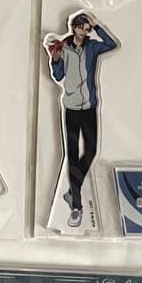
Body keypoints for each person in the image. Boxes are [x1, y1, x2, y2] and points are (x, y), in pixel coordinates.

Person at [46, 13, 117, 228]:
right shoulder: (63, 47)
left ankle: (72, 191)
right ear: (74, 27)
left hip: (89, 107)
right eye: (82, 28)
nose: (85, 32)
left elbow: (112, 44)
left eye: (88, 29)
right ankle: (76, 206)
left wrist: (97, 26)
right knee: (72, 156)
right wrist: (55, 60)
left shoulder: (93, 47)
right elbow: (58, 76)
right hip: (71, 107)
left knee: (92, 150)